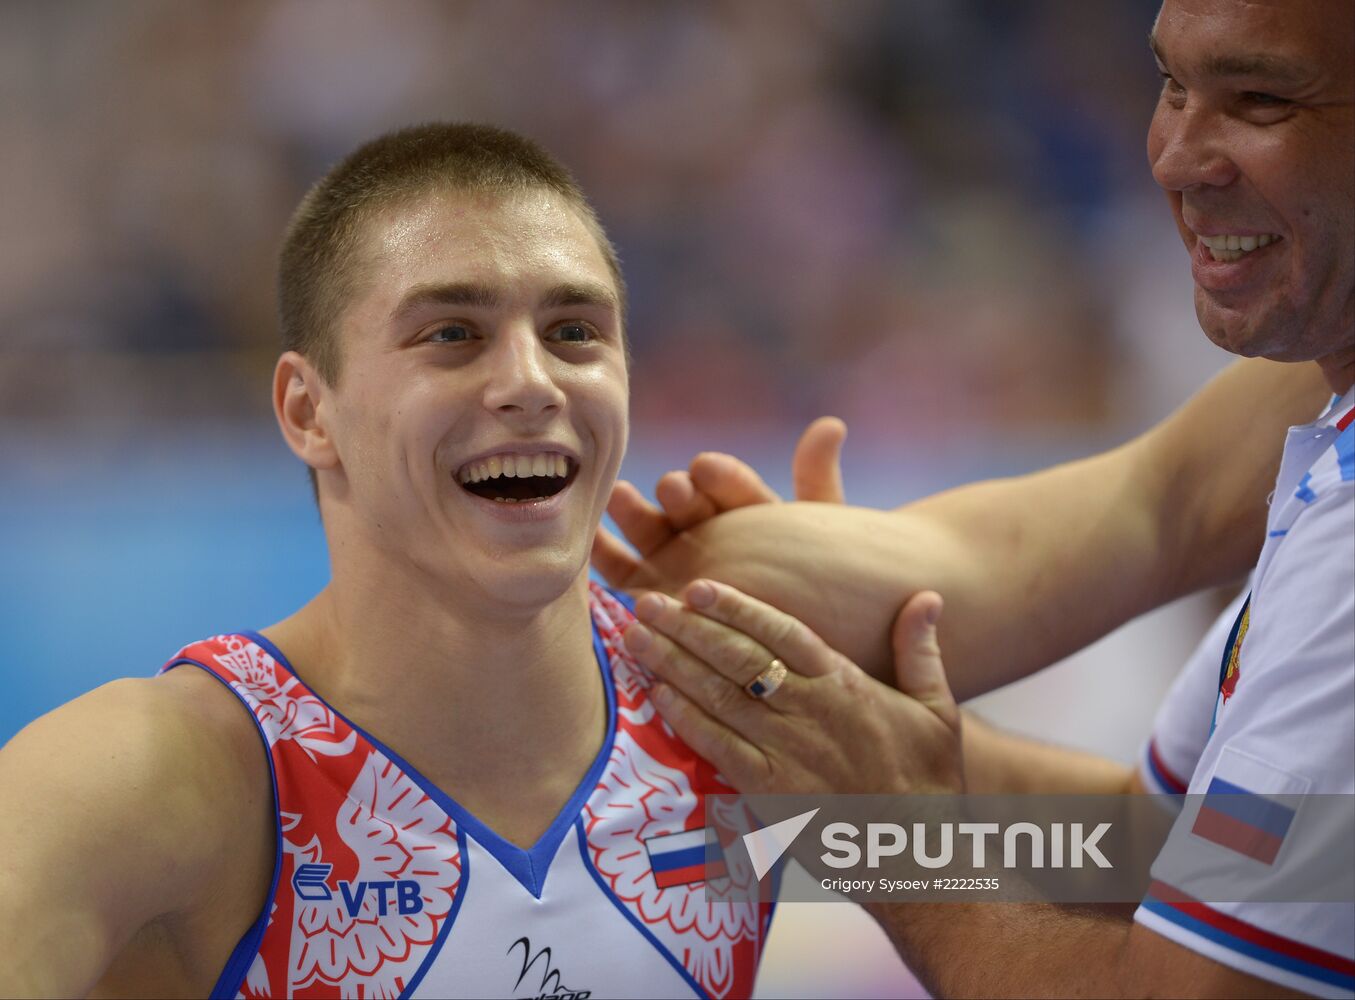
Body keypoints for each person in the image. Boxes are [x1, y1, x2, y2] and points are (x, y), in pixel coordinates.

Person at [601, 0, 1354, 995]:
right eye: (1171, 85)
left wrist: (883, 831)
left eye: (1257, 100)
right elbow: (1156, 851)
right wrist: (869, 739)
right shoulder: (1315, 393)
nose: (1174, 157)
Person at [0, 124, 773, 998]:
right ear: (307, 411)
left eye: (572, 331)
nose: (532, 381)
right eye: (451, 333)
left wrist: (906, 786)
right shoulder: (163, 775)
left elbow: (960, 880)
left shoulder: (743, 707)